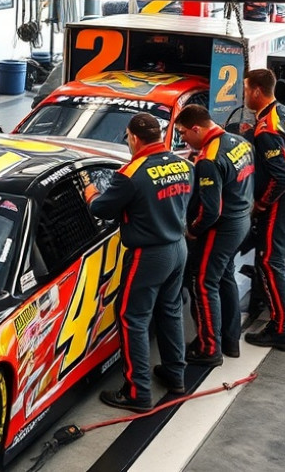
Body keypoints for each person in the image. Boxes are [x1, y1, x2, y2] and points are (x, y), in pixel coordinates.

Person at [84, 113, 193, 412]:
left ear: (133, 137)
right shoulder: (183, 164)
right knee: (170, 312)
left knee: (132, 318)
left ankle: (137, 392)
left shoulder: (132, 173)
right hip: (178, 247)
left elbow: (103, 209)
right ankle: (176, 375)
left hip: (148, 255)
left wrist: (91, 192)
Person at [176, 105, 255, 365]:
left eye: (183, 133)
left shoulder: (209, 160)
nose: (182, 139)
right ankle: (230, 340)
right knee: (224, 277)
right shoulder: (240, 142)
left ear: (197, 128)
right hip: (242, 219)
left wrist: (193, 230)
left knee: (203, 282)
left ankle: (209, 348)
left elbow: (210, 211)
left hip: (222, 228)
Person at [242, 69, 285, 350]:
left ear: (257, 91)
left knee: (271, 260)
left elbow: (280, 177)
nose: (245, 95)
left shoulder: (266, 128)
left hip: (284, 198)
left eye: (246, 89)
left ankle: (280, 330)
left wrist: (261, 203)